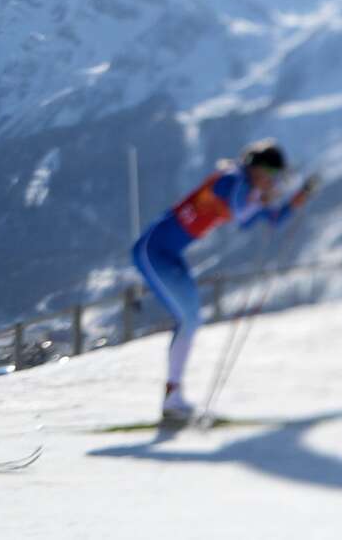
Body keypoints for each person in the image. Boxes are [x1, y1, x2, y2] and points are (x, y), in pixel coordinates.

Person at [131, 140, 314, 423]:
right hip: (152, 251)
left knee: (191, 319)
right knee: (190, 319)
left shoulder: (248, 188)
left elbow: (270, 219)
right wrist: (265, 197)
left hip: (168, 254)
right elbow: (242, 209)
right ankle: (172, 397)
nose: (272, 181)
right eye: (270, 175)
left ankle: (173, 397)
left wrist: (296, 200)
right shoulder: (231, 179)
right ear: (256, 169)